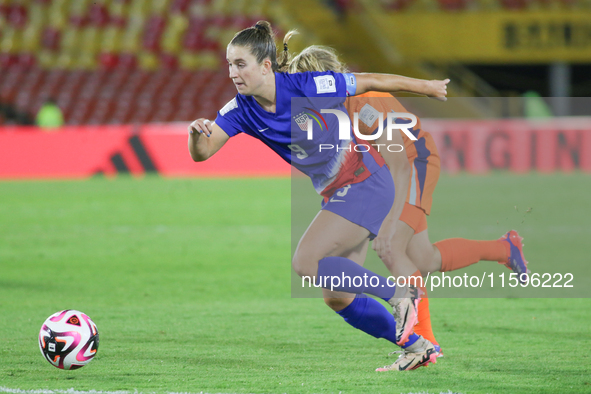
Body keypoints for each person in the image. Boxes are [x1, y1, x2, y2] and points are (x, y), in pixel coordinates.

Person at [188, 21, 449, 371]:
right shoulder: (241, 110)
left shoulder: (307, 85)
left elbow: (370, 80)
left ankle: (401, 295)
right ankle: (418, 347)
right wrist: (195, 133)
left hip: (366, 181)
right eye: (229, 64)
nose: (233, 72)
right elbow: (203, 152)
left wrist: (427, 86)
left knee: (305, 262)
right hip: (340, 192)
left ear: (266, 66)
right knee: (338, 297)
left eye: (240, 64)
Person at [287, 44, 531, 366]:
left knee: (391, 248)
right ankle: (505, 249)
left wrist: (388, 223)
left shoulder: (362, 101)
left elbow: (399, 160)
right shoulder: (332, 104)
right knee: (423, 259)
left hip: (415, 161)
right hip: (390, 169)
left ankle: (425, 347)